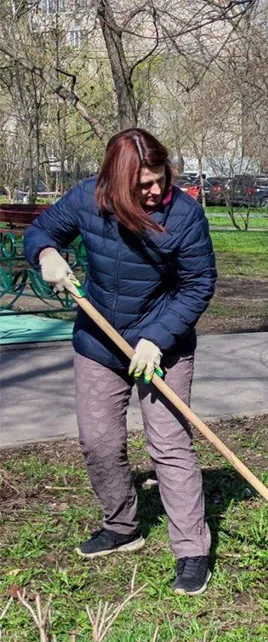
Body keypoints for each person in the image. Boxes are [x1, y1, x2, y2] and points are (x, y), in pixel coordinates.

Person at [25, 128, 217, 596]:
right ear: (116, 182)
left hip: (161, 348)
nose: (155, 191)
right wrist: (46, 254)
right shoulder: (87, 200)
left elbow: (198, 284)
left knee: (169, 444)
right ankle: (121, 526)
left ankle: (192, 551)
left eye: (159, 180)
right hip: (98, 341)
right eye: (143, 185)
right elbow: (41, 230)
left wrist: (156, 338)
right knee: (99, 442)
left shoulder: (185, 215)